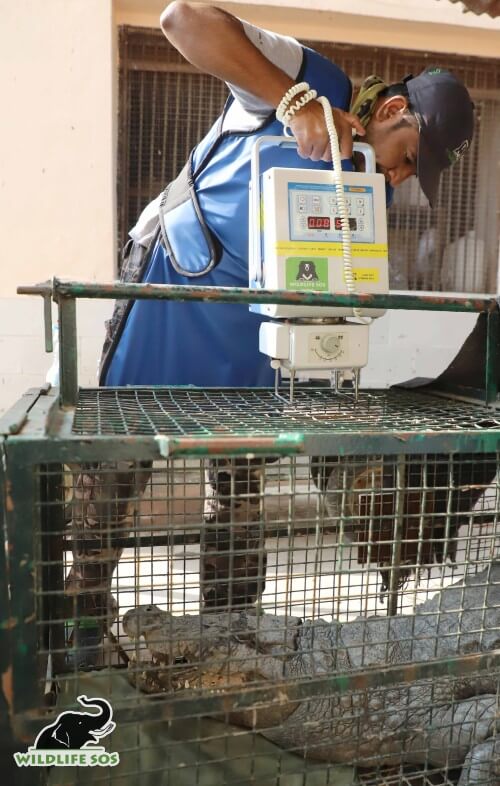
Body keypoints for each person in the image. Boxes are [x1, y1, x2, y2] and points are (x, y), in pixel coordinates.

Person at [65, 1, 475, 665]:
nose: (400, 179)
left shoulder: (366, 186)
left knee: (241, 496)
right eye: (408, 159)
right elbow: (181, 18)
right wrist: (294, 102)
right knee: (110, 478)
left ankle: (228, 648)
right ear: (396, 111)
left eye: (410, 176)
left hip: (256, 334)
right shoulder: (309, 76)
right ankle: (77, 646)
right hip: (172, 291)